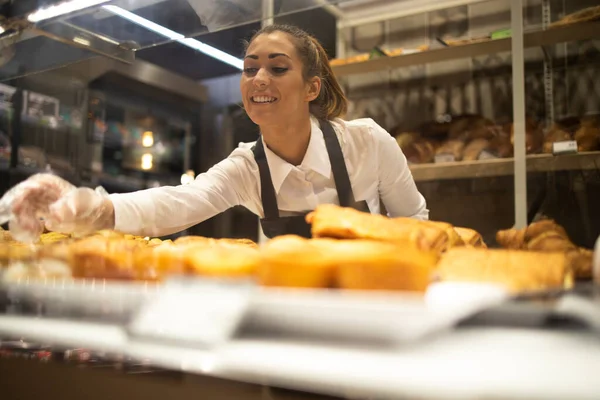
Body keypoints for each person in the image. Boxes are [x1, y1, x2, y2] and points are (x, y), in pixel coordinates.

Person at [0, 24, 428, 244]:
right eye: (249, 68)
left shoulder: (367, 142)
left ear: (312, 87)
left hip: (377, 308)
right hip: (288, 316)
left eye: (278, 68)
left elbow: (417, 224)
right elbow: (177, 203)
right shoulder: (246, 167)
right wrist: (92, 207)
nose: (258, 78)